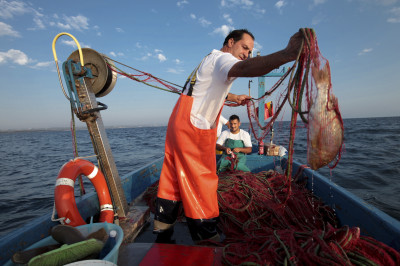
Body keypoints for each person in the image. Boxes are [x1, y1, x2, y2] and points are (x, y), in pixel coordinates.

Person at [153, 29, 303, 244]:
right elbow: (244, 68)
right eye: (244, 48)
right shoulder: (224, 59)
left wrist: (233, 96)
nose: (247, 55)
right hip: (194, 129)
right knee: (202, 180)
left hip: (178, 123)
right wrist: (288, 53)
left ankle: (162, 224)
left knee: (172, 177)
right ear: (230, 42)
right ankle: (206, 235)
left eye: (250, 52)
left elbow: (206, 88)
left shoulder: (210, 58)